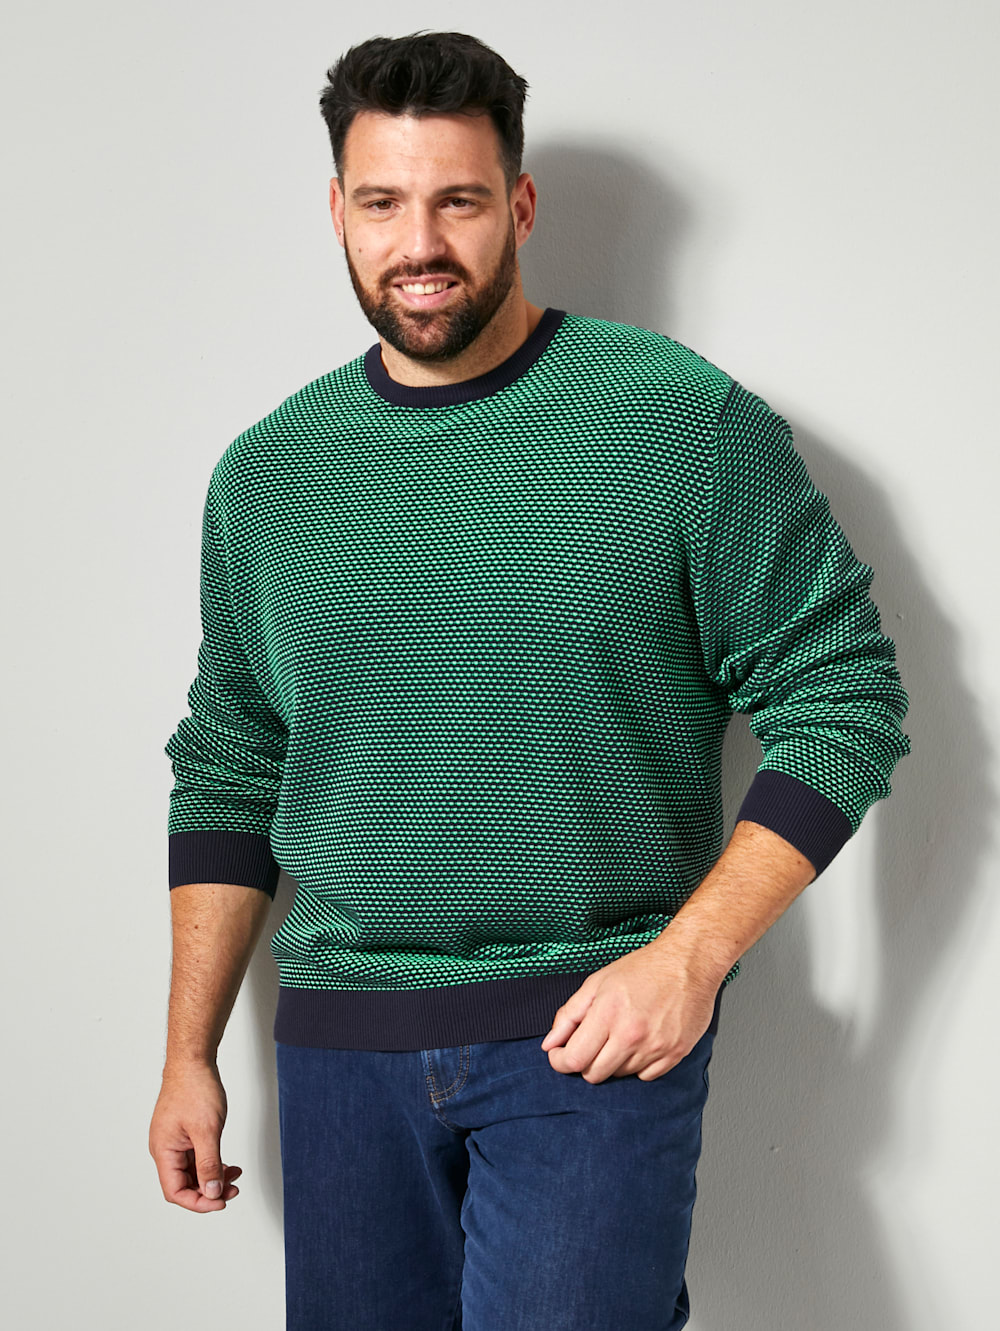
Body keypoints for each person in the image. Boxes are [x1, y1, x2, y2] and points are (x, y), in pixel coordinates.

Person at [149, 29, 910, 1331]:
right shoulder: (268, 476)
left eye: (458, 200)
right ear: (337, 212)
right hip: (339, 1058)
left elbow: (842, 695)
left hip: (590, 1040)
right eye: (382, 204)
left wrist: (690, 960)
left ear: (522, 204)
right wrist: (187, 1054)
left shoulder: (674, 420)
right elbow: (230, 765)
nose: (419, 243)